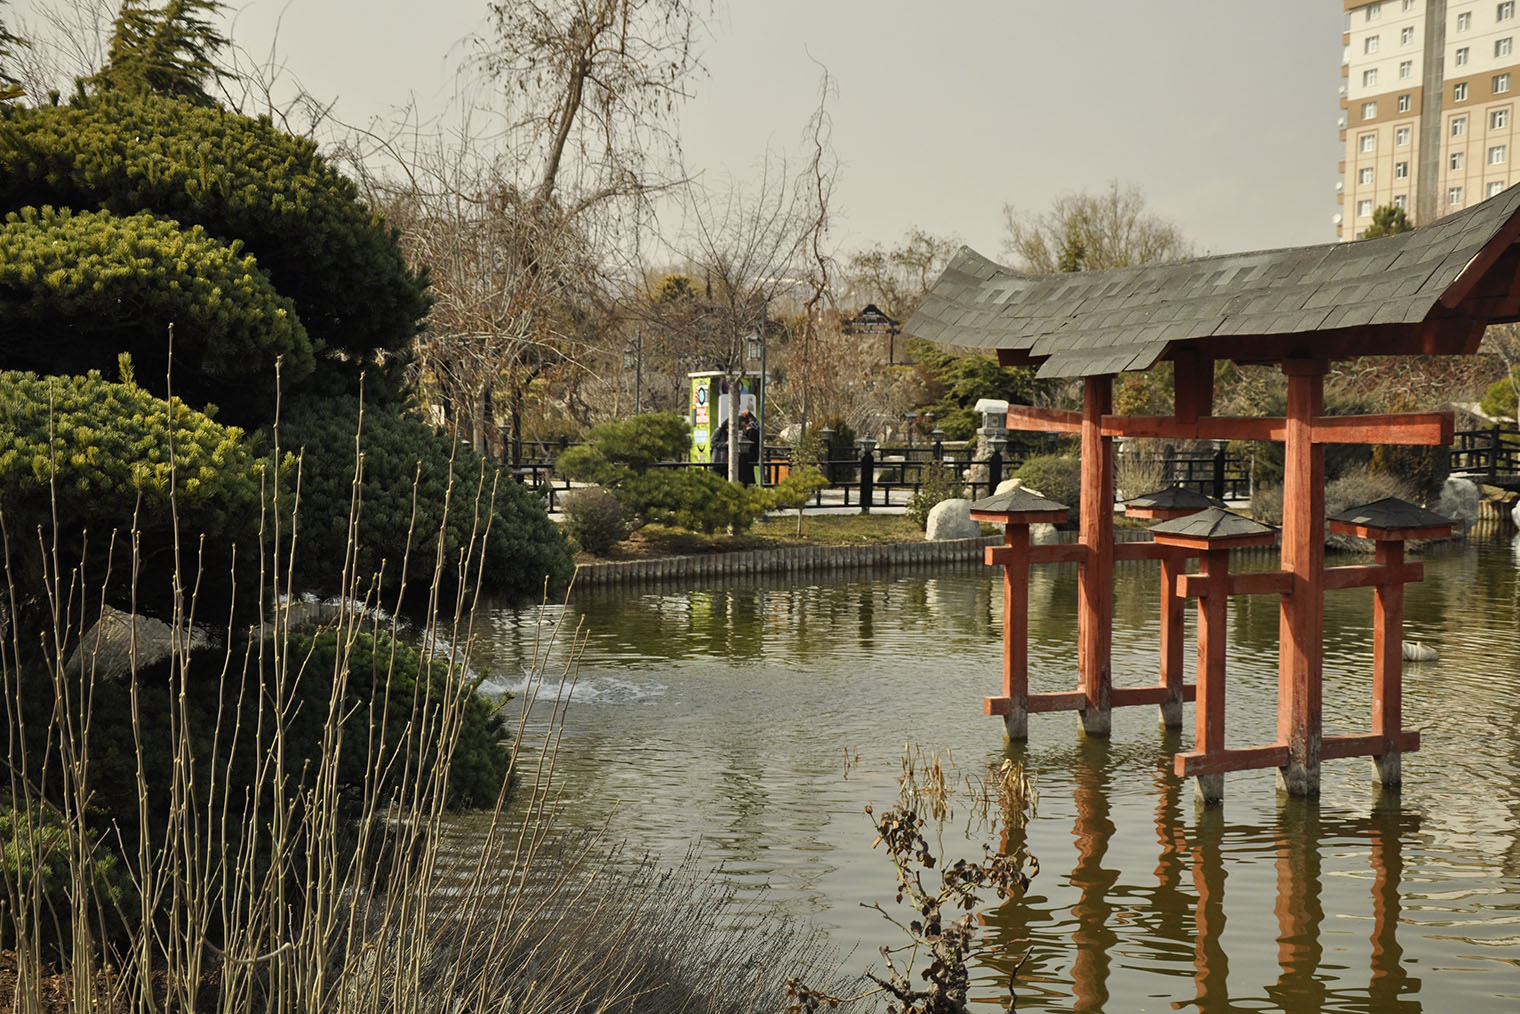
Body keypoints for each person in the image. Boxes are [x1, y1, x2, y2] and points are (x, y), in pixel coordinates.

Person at [737, 409, 760, 486]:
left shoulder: (752, 430)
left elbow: (750, 443)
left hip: (750, 455)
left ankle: (746, 483)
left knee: (746, 469)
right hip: (750, 454)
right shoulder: (753, 428)